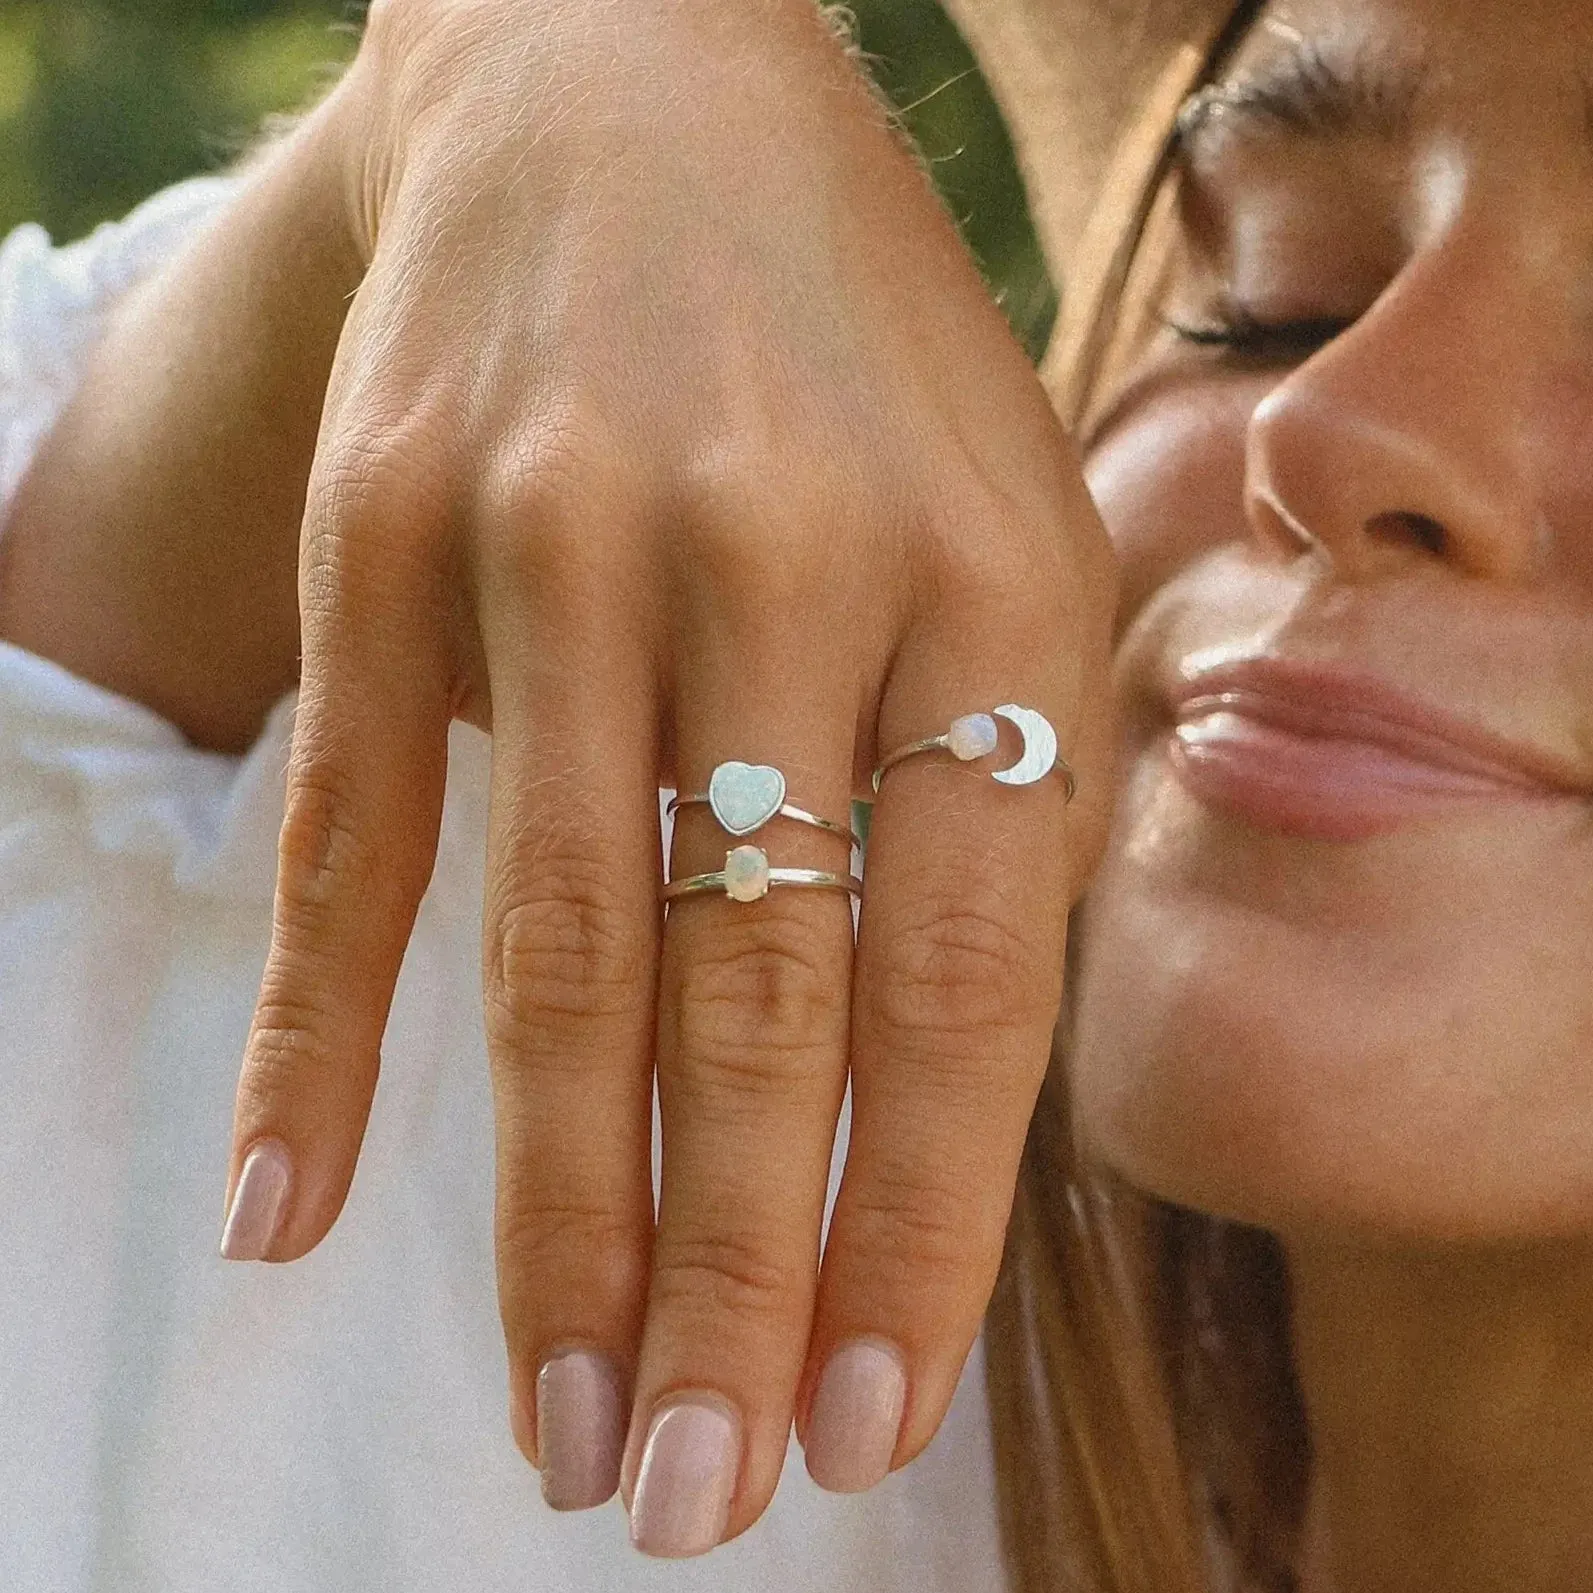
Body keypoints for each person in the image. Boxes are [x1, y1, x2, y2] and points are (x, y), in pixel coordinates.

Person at [1, 0, 1588, 1590]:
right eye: (1271, 300)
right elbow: (83, 739)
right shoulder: (630, 1076)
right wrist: (568, 61)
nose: (1329, 427)